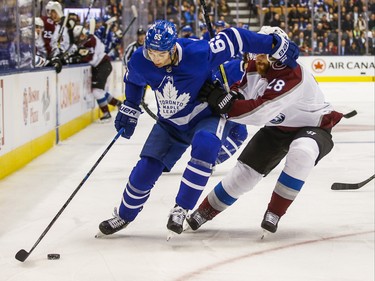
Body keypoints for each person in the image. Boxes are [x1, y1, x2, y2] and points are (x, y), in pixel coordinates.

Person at [96, 20, 299, 237]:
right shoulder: (140, 58)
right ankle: (124, 215)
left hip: (205, 114)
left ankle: (181, 208)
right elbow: (134, 81)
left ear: (173, 48)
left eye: (161, 54)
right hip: (169, 122)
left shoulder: (198, 52)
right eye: (151, 52)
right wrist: (131, 105)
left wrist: (274, 44)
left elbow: (237, 38)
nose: (155, 58)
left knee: (206, 145)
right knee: (145, 169)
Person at [185, 26, 344, 236]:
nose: (258, 58)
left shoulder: (293, 75)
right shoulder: (255, 65)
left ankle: (275, 212)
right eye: (256, 52)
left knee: (302, 151)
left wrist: (224, 105)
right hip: (277, 128)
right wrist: (226, 95)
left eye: (264, 53)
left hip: (313, 126)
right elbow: (242, 91)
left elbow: (259, 113)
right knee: (243, 176)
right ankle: (204, 211)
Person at [71, 25, 122, 121]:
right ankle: (118, 104)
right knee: (100, 91)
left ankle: (106, 113)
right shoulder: (88, 40)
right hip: (102, 66)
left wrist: (80, 58)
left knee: (96, 91)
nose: (79, 40)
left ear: (82, 34)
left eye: (79, 37)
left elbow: (92, 59)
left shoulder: (90, 41)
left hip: (102, 65)